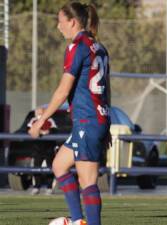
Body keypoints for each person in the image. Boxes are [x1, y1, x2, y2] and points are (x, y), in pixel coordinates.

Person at [29, 2, 111, 225]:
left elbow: (64, 89)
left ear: (72, 22)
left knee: (88, 181)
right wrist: (107, 124)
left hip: (88, 121)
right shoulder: (99, 47)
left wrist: (41, 120)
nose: (58, 26)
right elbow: (105, 90)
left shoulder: (77, 47)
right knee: (59, 165)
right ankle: (77, 221)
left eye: (60, 21)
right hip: (93, 120)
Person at [27, 107, 58, 195]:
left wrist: (47, 132)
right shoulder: (32, 120)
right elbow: (28, 130)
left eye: (41, 112)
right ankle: (36, 187)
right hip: (37, 148)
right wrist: (39, 131)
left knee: (50, 168)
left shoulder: (50, 120)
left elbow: (54, 130)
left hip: (48, 148)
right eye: (37, 112)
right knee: (36, 168)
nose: (39, 114)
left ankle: (49, 187)